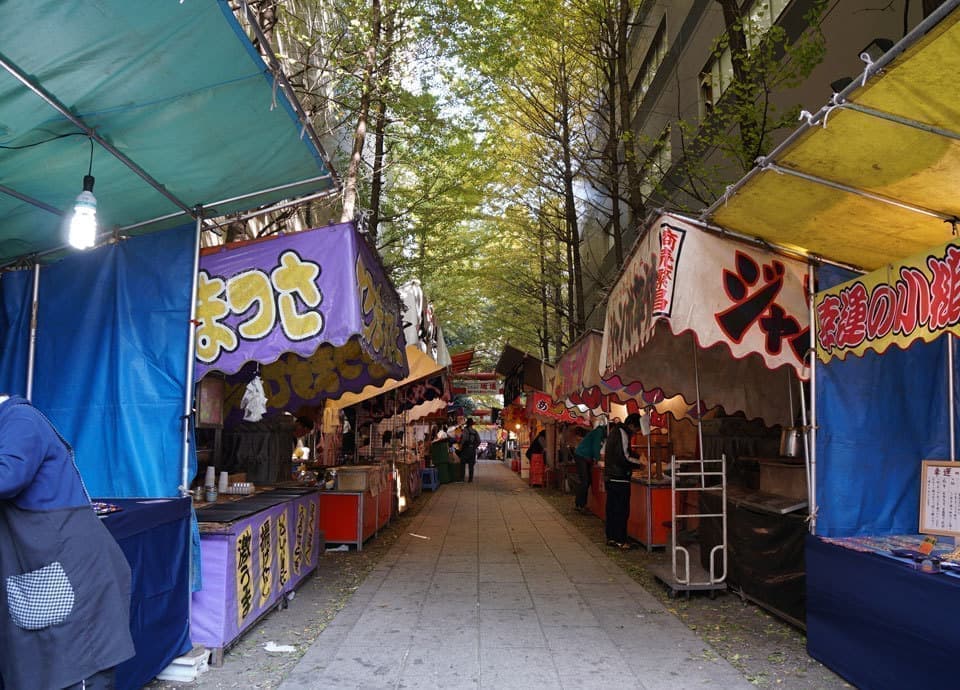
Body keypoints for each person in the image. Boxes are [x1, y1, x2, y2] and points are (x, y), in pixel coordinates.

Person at [0, 394, 134, 690]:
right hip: (39, 570)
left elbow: (7, 477)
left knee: (76, 668)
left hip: (69, 572)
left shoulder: (20, 420)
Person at [604, 413, 644, 549]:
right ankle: (621, 540)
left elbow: (625, 452)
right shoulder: (622, 432)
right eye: (636, 429)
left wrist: (637, 456)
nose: (636, 433)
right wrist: (640, 464)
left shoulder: (615, 431)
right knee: (621, 510)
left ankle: (612, 538)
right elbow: (624, 457)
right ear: (632, 425)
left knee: (612, 509)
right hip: (619, 477)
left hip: (611, 476)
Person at [573, 422, 607, 513]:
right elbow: (596, 447)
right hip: (581, 455)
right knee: (585, 481)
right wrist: (598, 459)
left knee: (586, 481)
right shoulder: (599, 432)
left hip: (585, 456)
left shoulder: (600, 432)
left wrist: (598, 458)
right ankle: (581, 505)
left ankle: (579, 504)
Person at [459, 417, 481, 482]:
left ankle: (462, 478)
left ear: (467, 424)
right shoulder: (475, 431)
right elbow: (479, 441)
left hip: (465, 449)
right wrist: (474, 447)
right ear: (472, 424)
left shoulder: (465, 430)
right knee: (471, 465)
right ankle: (470, 479)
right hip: (472, 450)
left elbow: (464, 439)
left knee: (462, 463)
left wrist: (460, 446)